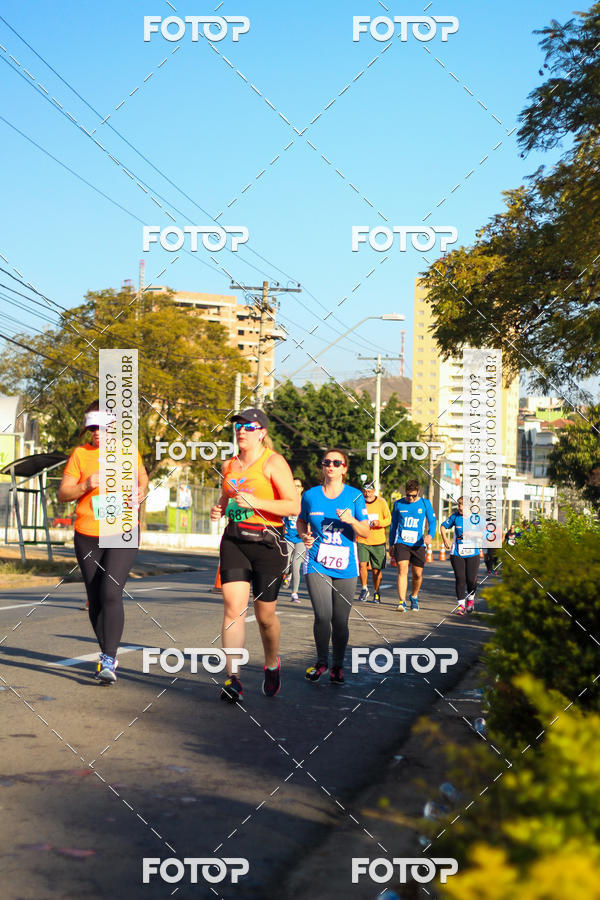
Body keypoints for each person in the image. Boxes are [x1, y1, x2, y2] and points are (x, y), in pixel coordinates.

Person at [210, 408, 299, 703]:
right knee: (233, 608)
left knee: (265, 616)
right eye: (238, 426)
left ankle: (272, 663)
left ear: (261, 432)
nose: (241, 431)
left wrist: (256, 502)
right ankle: (233, 679)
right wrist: (219, 508)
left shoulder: (273, 462)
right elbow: (227, 498)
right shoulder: (229, 465)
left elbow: (293, 506)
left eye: (248, 427)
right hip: (234, 540)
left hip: (267, 545)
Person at [57, 400, 148, 684]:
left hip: (122, 530)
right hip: (87, 533)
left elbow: (143, 479)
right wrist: (86, 484)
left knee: (110, 591)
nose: (96, 432)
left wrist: (140, 490)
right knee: (95, 596)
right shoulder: (80, 455)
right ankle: (107, 651)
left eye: (101, 427)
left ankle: (109, 657)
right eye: (92, 428)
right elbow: (63, 493)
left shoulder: (128, 451)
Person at [297, 449, 370, 685]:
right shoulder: (310, 495)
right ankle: (321, 662)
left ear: (344, 469)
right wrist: (303, 536)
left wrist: (351, 520)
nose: (331, 465)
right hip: (317, 562)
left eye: (337, 463)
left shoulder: (355, 496)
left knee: (339, 620)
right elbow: (301, 520)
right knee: (323, 615)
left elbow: (366, 531)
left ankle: (337, 666)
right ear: (322, 466)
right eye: (327, 462)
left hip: (346, 565)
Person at [389, 479, 436, 612]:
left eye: (413, 496)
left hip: (418, 544)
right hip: (401, 542)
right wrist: (391, 544)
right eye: (408, 495)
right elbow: (393, 525)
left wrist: (430, 535)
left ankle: (414, 596)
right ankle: (402, 601)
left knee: (417, 574)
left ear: (418, 492)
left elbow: (432, 521)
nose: (410, 498)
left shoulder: (425, 503)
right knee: (402, 570)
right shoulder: (398, 504)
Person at [440, 496, 480, 615]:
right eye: (458, 505)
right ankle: (461, 605)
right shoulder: (455, 517)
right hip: (457, 552)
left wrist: (474, 534)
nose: (459, 508)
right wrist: (445, 539)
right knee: (460, 578)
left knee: (471, 579)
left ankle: (470, 599)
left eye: (462, 505)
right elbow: (443, 526)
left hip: (473, 553)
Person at [357, 484, 391, 603]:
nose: (367, 494)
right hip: (362, 539)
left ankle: (376, 591)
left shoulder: (381, 502)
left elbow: (389, 519)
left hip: (378, 541)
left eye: (369, 491)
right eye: (365, 491)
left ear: (374, 491)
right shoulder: (359, 502)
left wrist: (379, 522)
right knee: (362, 565)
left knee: (376, 570)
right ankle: (364, 589)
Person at [282, 478, 305, 603]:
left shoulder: (305, 504)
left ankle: (294, 593)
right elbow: (281, 518)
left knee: (296, 565)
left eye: (298, 486)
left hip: (301, 538)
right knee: (285, 564)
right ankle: (288, 574)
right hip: (288, 537)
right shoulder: (287, 502)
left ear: (301, 489)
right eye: (293, 486)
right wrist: (283, 526)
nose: (295, 488)